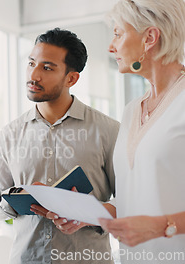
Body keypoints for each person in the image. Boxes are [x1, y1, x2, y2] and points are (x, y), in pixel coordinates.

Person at [0, 28, 120, 263]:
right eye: (31, 63)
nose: (34, 75)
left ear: (71, 78)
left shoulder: (108, 130)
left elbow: (129, 204)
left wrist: (86, 213)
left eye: (47, 68)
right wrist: (20, 195)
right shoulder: (10, 133)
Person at [98, 0, 185, 262]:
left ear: (149, 37)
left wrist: (161, 226)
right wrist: (96, 213)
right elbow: (138, 194)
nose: (111, 46)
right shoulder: (131, 110)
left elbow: (154, 217)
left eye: (118, 33)